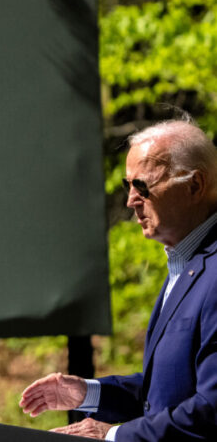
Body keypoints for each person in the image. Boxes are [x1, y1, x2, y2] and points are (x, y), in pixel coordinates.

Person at [19, 119, 217, 440]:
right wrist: (89, 393)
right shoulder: (186, 264)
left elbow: (210, 410)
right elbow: (166, 394)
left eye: (142, 186)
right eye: (128, 186)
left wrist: (112, 436)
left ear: (195, 185)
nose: (130, 201)